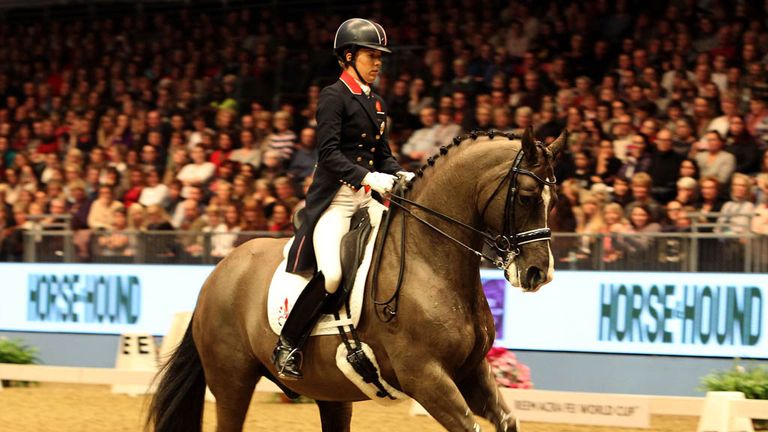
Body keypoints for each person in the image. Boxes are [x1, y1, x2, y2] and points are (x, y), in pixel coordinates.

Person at [273, 18, 413, 380]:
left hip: (367, 200)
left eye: (380, 57)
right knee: (332, 275)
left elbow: (382, 154)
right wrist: (368, 177)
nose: (378, 63)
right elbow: (330, 155)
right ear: (349, 56)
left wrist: (402, 174)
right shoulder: (333, 96)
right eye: (371, 55)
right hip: (336, 202)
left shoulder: (376, 103)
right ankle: (288, 344)